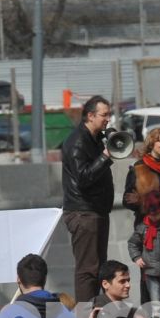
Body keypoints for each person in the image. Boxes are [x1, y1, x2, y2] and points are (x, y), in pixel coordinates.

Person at [62, 95, 117, 302]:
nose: (107, 120)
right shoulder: (78, 141)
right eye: (104, 115)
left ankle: (96, 313)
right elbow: (83, 177)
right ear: (90, 115)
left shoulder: (93, 139)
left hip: (96, 211)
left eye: (108, 115)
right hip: (83, 212)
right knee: (88, 270)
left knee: (98, 268)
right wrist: (105, 157)